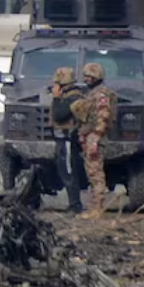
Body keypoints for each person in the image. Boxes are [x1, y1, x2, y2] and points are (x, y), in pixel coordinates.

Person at [70, 62, 116, 220]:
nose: (87, 79)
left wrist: (95, 136)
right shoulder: (91, 93)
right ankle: (93, 208)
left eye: (91, 76)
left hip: (95, 137)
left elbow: (103, 116)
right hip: (89, 135)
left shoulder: (101, 94)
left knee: (96, 175)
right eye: (86, 76)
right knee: (91, 173)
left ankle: (97, 209)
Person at [48, 66, 87, 213]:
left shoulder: (73, 97)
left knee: (70, 173)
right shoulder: (68, 96)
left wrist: (56, 98)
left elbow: (60, 115)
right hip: (62, 141)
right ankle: (74, 205)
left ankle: (75, 205)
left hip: (68, 141)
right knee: (65, 172)